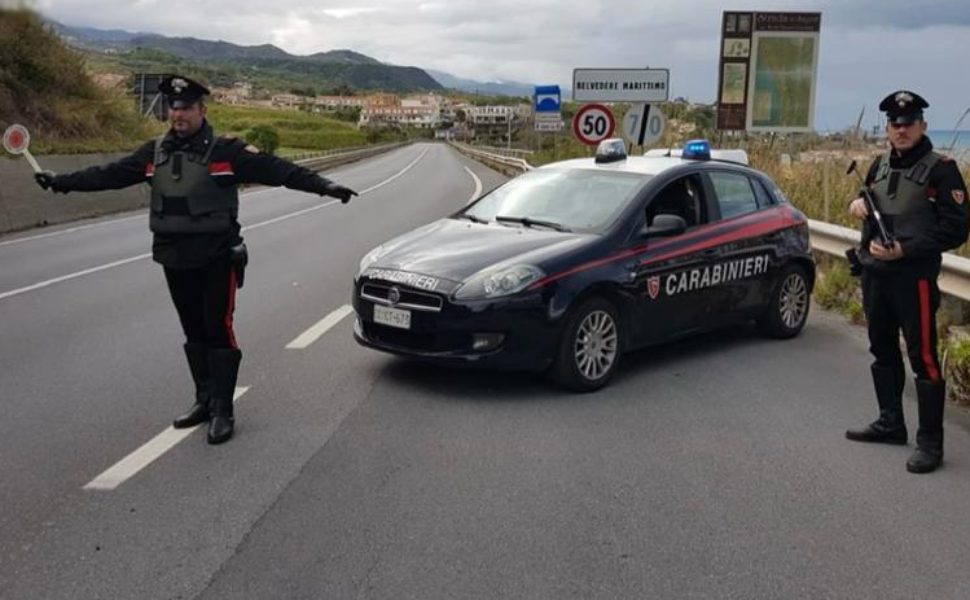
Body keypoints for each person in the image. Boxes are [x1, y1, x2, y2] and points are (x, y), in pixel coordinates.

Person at [34, 75, 358, 445]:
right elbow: (109, 175)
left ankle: (223, 409)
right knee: (193, 332)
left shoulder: (226, 152)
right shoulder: (153, 153)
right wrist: (62, 182)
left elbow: (279, 170)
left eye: (186, 107)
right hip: (174, 256)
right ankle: (203, 400)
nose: (178, 113)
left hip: (216, 257)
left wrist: (325, 186)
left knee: (218, 330)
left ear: (202, 110)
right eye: (173, 107)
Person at [845, 90, 969, 473]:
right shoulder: (877, 167)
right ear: (887, 129)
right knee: (882, 350)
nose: (901, 129)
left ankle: (930, 443)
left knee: (924, 358)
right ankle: (890, 422)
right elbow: (872, 211)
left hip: (913, 277)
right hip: (875, 275)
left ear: (922, 126)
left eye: (909, 123)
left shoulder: (942, 169)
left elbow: (956, 228)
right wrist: (857, 205)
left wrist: (906, 249)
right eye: (895, 124)